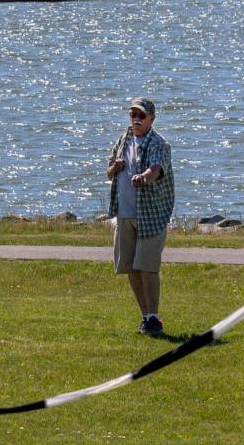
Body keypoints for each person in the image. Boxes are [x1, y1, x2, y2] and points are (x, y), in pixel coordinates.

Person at [106, 96, 174, 336]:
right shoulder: (124, 139)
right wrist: (116, 167)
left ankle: (154, 317)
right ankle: (146, 317)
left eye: (141, 115)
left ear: (151, 119)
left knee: (148, 267)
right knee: (131, 267)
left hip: (150, 215)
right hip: (124, 214)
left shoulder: (159, 144)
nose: (135, 119)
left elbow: (156, 169)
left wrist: (143, 178)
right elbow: (108, 171)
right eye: (132, 114)